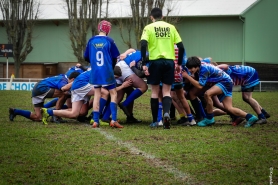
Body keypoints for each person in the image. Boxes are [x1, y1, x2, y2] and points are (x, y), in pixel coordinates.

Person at [182, 56, 259, 128]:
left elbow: (200, 86)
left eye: (191, 68)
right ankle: (250, 117)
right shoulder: (201, 63)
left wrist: (187, 76)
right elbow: (209, 58)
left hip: (224, 82)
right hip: (227, 81)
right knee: (229, 108)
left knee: (207, 94)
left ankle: (209, 119)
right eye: (188, 68)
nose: (189, 70)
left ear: (196, 66)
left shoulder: (204, 69)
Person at [140, 7, 185, 129]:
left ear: (151, 17)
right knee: (167, 91)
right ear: (163, 17)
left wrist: (144, 63)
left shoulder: (148, 28)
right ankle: (167, 113)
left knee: (155, 92)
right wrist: (179, 64)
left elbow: (143, 44)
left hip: (155, 61)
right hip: (169, 62)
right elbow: (181, 47)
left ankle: (155, 121)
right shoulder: (171, 27)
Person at [84, 20, 123, 128]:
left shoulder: (91, 40)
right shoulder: (109, 41)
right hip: (107, 70)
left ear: (98, 28)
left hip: (95, 70)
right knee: (113, 93)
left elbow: (86, 57)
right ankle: (114, 120)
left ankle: (96, 120)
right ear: (108, 30)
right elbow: (116, 56)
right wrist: (111, 66)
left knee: (97, 94)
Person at [41, 70, 109, 125]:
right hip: (81, 85)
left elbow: (71, 84)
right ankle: (96, 118)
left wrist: (65, 88)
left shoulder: (89, 72)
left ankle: (48, 112)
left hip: (77, 87)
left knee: (76, 114)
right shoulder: (104, 71)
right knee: (105, 93)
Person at [9, 72, 80, 123]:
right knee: (64, 94)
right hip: (41, 88)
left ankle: (15, 111)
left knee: (38, 117)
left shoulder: (63, 77)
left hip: (36, 90)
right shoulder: (64, 80)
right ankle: (56, 116)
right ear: (73, 80)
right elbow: (63, 89)